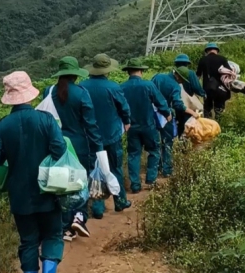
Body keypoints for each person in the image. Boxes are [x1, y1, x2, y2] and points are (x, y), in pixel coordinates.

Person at [0, 71, 67, 273]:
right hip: (48, 190)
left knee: (28, 241)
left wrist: (8, 158)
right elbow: (59, 149)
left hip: (19, 195)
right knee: (52, 235)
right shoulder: (46, 120)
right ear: (30, 94)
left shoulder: (3, 126)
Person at [42, 57, 103, 242]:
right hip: (79, 146)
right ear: (75, 75)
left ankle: (61, 225)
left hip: (56, 145)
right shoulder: (81, 93)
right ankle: (78, 218)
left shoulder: (48, 91)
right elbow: (91, 125)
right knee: (79, 184)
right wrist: (98, 149)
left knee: (60, 185)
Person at [81, 54, 132, 217]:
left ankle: (97, 208)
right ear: (107, 70)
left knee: (95, 169)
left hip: (90, 136)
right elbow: (124, 108)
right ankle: (120, 200)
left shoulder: (82, 87)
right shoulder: (113, 87)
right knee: (115, 167)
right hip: (111, 134)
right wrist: (127, 121)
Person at [121, 59, 172, 192]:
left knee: (133, 154)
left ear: (128, 72)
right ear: (141, 71)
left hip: (131, 127)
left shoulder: (122, 87)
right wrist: (167, 113)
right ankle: (151, 180)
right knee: (154, 151)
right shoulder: (148, 85)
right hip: (148, 125)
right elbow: (160, 101)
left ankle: (135, 185)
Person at [151, 68, 199, 178]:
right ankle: (167, 170)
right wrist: (192, 112)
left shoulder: (157, 76)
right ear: (178, 76)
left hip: (151, 114)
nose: (182, 82)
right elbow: (178, 104)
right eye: (182, 80)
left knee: (156, 142)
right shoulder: (175, 86)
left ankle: (157, 167)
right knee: (167, 142)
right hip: (165, 115)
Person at [196, 43, 232, 118]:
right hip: (220, 88)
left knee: (207, 109)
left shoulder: (203, 59)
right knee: (219, 109)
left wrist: (196, 89)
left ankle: (208, 125)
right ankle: (220, 124)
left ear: (207, 51)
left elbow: (198, 75)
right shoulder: (222, 59)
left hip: (207, 88)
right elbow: (229, 73)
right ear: (217, 51)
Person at [174, 54, 205, 136]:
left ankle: (179, 138)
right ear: (187, 64)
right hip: (188, 104)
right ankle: (188, 139)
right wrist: (203, 94)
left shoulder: (173, 73)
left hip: (175, 102)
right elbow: (196, 87)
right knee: (188, 121)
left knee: (179, 122)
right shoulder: (190, 73)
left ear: (176, 64)